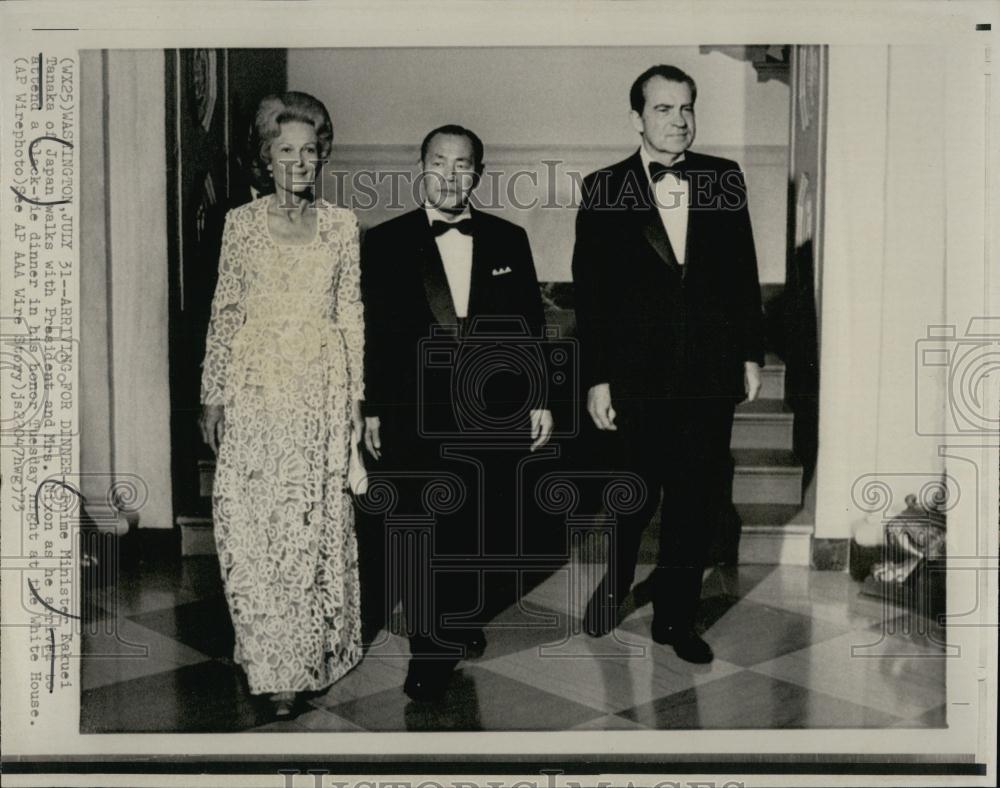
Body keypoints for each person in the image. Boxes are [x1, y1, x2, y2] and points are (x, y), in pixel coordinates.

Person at [571, 65, 765, 663]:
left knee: (695, 496)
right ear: (637, 118)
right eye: (663, 109)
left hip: (708, 372)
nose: (678, 120)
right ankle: (616, 582)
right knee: (633, 491)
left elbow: (743, 274)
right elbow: (592, 291)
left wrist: (750, 354)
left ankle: (676, 617)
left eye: (686, 108)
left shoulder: (723, 177)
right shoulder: (603, 188)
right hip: (636, 375)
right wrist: (597, 377)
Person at [361, 124, 553, 702]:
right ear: (420, 167)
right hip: (411, 409)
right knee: (422, 527)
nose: (449, 175)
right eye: (439, 162)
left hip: (491, 409)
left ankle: (456, 617)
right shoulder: (385, 241)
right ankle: (430, 653)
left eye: (462, 164)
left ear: (479, 172)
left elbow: (530, 324)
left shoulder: (508, 238)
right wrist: (370, 409)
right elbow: (371, 332)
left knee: (478, 527)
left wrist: (540, 397)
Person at [199, 91, 364, 716]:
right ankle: (267, 656)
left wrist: (354, 398)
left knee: (310, 526)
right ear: (266, 158)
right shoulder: (240, 225)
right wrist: (212, 396)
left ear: (322, 157)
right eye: (285, 150)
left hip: (320, 392)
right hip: (255, 391)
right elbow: (226, 312)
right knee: (250, 525)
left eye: (310, 151)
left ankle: (300, 660)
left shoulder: (344, 226)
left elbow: (350, 314)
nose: (299, 162)